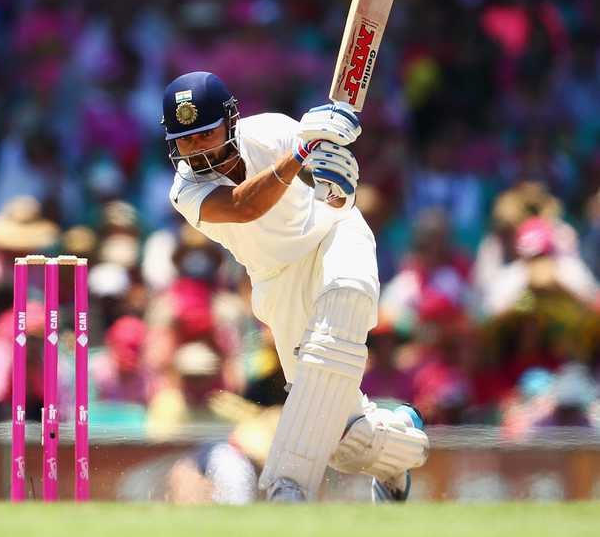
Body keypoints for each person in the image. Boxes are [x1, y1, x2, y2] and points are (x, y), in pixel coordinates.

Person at [162, 71, 429, 502]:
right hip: (277, 281)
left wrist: (340, 187)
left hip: (332, 235)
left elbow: (335, 197)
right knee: (339, 436)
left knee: (343, 303)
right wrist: (302, 154)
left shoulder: (274, 131)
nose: (197, 149)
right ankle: (400, 443)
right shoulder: (186, 189)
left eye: (205, 133)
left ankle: (286, 487)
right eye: (186, 139)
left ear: (230, 121)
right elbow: (244, 206)